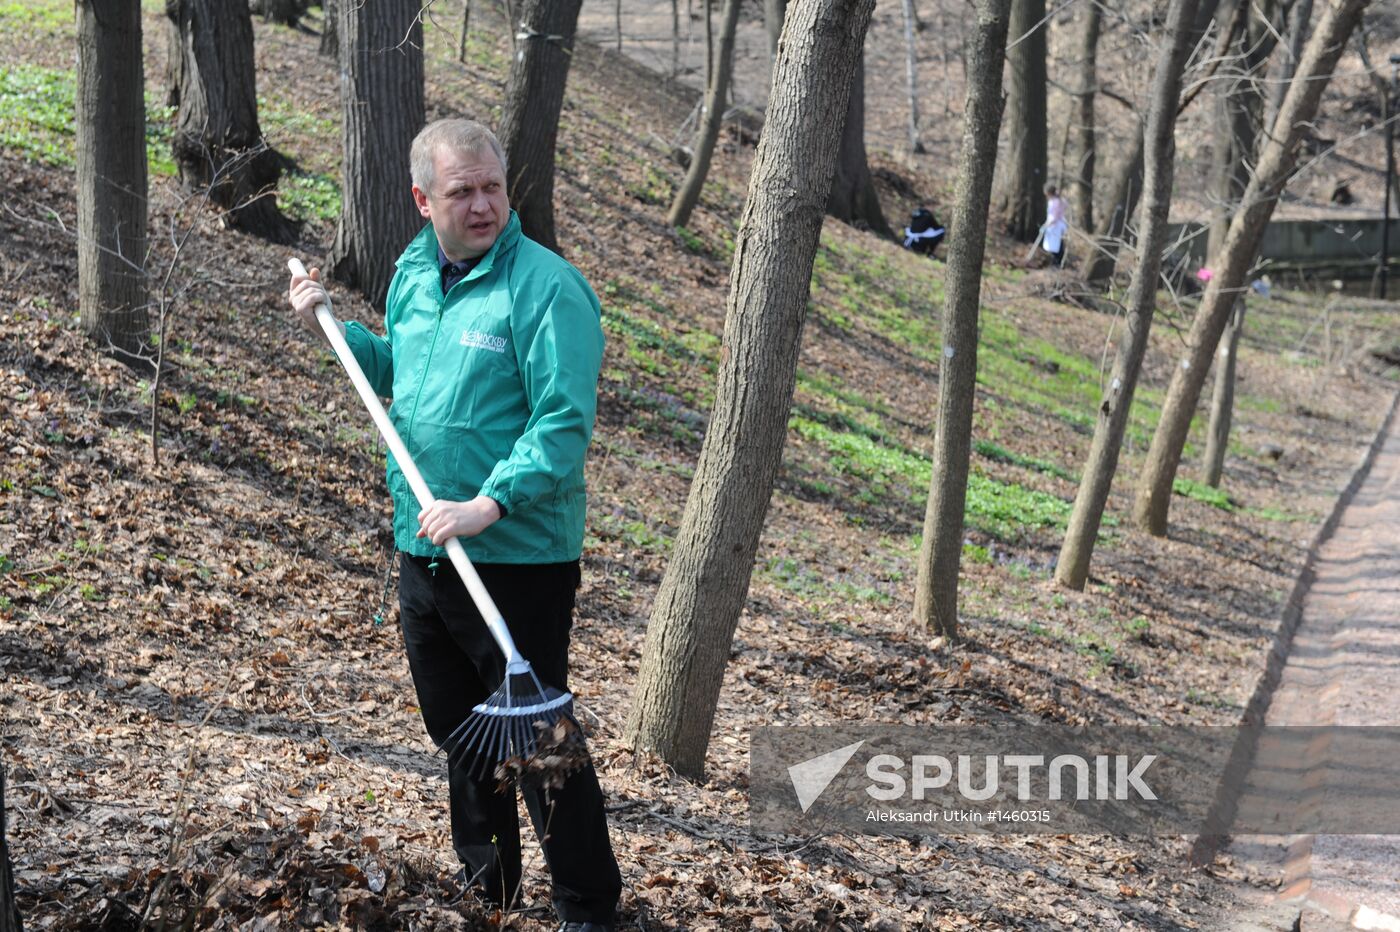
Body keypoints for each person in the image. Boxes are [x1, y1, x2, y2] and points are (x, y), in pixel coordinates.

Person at [288, 118, 621, 932]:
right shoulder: (412, 274)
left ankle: (588, 905)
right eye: (461, 191)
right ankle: (489, 895)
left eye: (492, 188)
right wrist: (334, 329)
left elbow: (563, 423)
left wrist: (490, 503)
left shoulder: (546, 290)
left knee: (539, 743)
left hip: (513, 556)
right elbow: (403, 375)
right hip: (424, 549)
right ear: (422, 199)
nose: (481, 206)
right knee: (462, 736)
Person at [1041, 184, 1069, 268]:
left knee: (1055, 245)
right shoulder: (1054, 201)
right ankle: (1055, 261)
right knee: (1054, 244)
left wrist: (1046, 225)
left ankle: (1057, 262)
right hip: (1053, 225)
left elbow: (1054, 217)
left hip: (1056, 225)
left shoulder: (1056, 202)